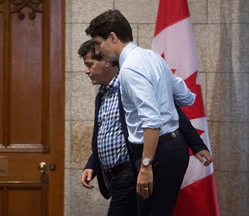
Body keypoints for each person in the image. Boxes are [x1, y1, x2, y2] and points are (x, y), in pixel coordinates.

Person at [85, 9, 212, 216]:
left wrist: (145, 166)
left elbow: (151, 121)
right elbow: (185, 97)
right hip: (172, 148)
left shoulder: (130, 69)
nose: (98, 49)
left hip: (157, 152)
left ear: (113, 37)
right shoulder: (151, 57)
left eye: (99, 43)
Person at [78, 40, 137, 216]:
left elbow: (165, 112)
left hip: (130, 172)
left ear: (106, 61)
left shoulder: (127, 84)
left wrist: (197, 145)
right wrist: (93, 165)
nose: (86, 71)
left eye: (89, 65)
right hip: (113, 177)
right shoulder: (102, 95)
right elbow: (106, 134)